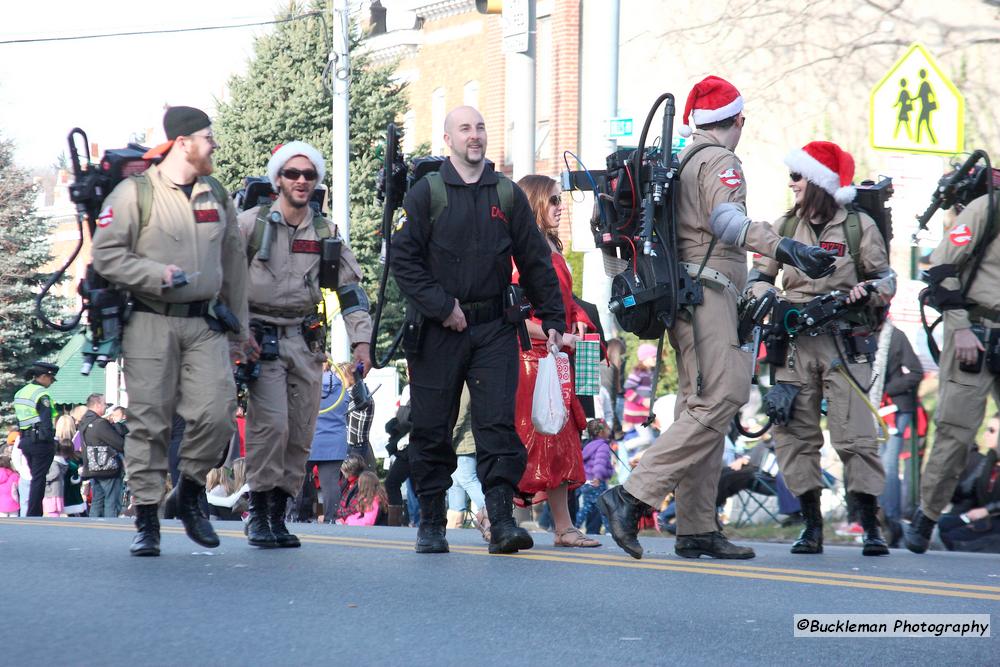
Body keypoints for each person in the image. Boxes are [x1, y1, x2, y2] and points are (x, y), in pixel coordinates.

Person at [599, 76, 837, 560]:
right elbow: (726, 222)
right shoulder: (721, 161)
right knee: (723, 397)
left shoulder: (684, 159)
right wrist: (785, 246)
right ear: (738, 120)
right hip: (707, 295)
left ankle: (697, 527)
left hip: (685, 297)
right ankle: (630, 496)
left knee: (700, 407)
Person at [390, 105, 566, 555]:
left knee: (496, 426)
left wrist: (553, 319)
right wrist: (440, 305)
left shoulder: (505, 194)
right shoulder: (426, 194)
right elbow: (404, 262)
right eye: (465, 128)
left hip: (493, 329)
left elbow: (534, 262)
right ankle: (431, 523)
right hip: (437, 330)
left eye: (481, 127)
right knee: (432, 427)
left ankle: (503, 521)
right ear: (447, 139)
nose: (475, 135)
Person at [91, 105, 249, 557]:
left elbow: (234, 262)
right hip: (149, 319)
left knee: (218, 414)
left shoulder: (215, 193)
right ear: (183, 143)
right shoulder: (133, 194)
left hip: (205, 323)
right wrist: (155, 274)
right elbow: (106, 256)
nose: (214, 144)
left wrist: (242, 328)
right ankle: (146, 518)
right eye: (207, 137)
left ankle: (191, 492)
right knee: (149, 423)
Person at [745, 140, 895, 556]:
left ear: (817, 182)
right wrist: (764, 296)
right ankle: (811, 527)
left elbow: (887, 280)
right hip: (793, 345)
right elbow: (759, 277)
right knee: (794, 436)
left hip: (844, 346)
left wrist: (867, 292)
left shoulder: (857, 226)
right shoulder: (784, 227)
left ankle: (870, 525)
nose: (791, 184)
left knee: (856, 437)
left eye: (797, 177)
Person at [238, 140, 373, 549]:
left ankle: (280, 515)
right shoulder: (248, 225)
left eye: (309, 175)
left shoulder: (326, 233)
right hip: (260, 340)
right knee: (271, 427)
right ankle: (258, 514)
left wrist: (361, 343)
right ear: (277, 179)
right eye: (293, 174)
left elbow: (350, 291)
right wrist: (233, 337)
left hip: (305, 340)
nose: (301, 181)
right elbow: (221, 283)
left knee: (299, 434)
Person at [906, 190, 1000, 553]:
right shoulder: (988, 208)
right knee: (956, 431)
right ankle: (926, 516)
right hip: (974, 332)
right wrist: (959, 326)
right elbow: (942, 265)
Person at [512, 174, 598, 548]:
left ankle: (564, 527)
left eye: (560, 200)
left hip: (554, 358)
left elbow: (565, 302)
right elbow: (514, 311)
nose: (560, 207)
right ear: (534, 204)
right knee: (533, 442)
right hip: (533, 360)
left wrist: (578, 323)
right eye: (552, 201)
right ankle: (490, 512)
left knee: (560, 441)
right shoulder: (523, 252)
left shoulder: (550, 246)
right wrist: (559, 336)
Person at [870, 320, 923, 544]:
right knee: (872, 462)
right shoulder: (860, 335)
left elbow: (916, 371)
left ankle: (892, 520)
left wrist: (888, 389)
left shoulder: (896, 336)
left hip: (894, 407)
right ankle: (874, 517)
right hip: (870, 406)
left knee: (888, 464)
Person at [938, 414, 1000, 552]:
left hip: (993, 518)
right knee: (942, 524)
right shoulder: (989, 460)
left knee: (954, 537)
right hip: (981, 517)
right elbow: (966, 490)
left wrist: (986, 510)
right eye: (986, 429)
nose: (986, 435)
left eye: (992, 430)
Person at [13, 361, 60, 517]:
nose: (51, 382)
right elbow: (46, 422)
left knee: (36, 477)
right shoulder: (41, 394)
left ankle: (33, 511)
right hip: (40, 442)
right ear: (44, 377)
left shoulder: (20, 392)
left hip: (25, 440)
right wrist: (50, 442)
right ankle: (34, 513)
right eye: (51, 379)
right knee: (39, 478)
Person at [306, 360, 350, 523]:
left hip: (309, 440)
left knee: (297, 480)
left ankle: (294, 516)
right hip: (334, 443)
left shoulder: (308, 385)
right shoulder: (341, 389)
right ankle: (330, 518)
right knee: (330, 483)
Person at [447, 384, 490, 541]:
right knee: (455, 483)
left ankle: (492, 513)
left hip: (464, 441)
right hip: (463, 440)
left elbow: (461, 413)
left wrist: (448, 437)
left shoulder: (464, 382)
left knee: (467, 479)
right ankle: (453, 529)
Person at [78, 394, 126, 518]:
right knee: (112, 501)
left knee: (97, 501)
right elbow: (120, 444)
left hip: (93, 467)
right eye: (104, 404)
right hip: (108, 468)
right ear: (97, 404)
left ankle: (93, 528)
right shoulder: (99, 423)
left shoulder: (84, 422)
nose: (105, 407)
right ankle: (112, 528)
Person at [577, 419, 614, 534]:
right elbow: (599, 463)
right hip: (596, 481)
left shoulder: (589, 445)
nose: (610, 430)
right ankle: (609, 531)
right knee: (603, 507)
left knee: (588, 506)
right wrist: (598, 477)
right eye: (607, 428)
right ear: (601, 432)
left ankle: (573, 525)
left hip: (587, 480)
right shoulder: (602, 446)